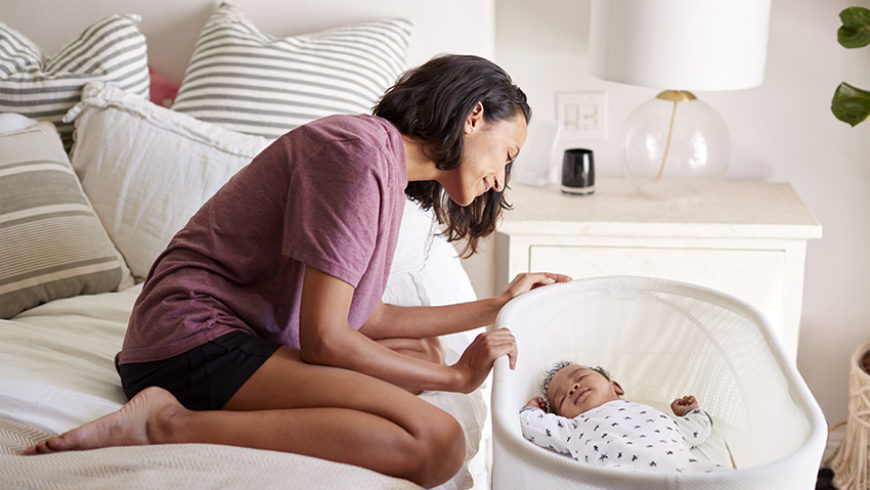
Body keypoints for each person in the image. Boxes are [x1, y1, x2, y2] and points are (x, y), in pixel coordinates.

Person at [22, 54, 571, 487]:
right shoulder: (357, 156)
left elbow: (364, 316)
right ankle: (163, 423)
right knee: (439, 443)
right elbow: (326, 340)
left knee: (419, 352)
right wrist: (458, 377)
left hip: (228, 338)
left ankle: (176, 414)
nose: (502, 176)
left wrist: (495, 304)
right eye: (508, 152)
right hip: (187, 343)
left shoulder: (381, 164)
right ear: (475, 115)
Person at [520, 361, 726, 474]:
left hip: (684, 472)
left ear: (615, 386)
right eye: (561, 397)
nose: (573, 388)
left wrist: (690, 412)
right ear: (561, 416)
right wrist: (533, 410)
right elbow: (530, 425)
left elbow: (698, 428)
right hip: (621, 479)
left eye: (581, 378)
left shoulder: (655, 413)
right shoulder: (573, 427)